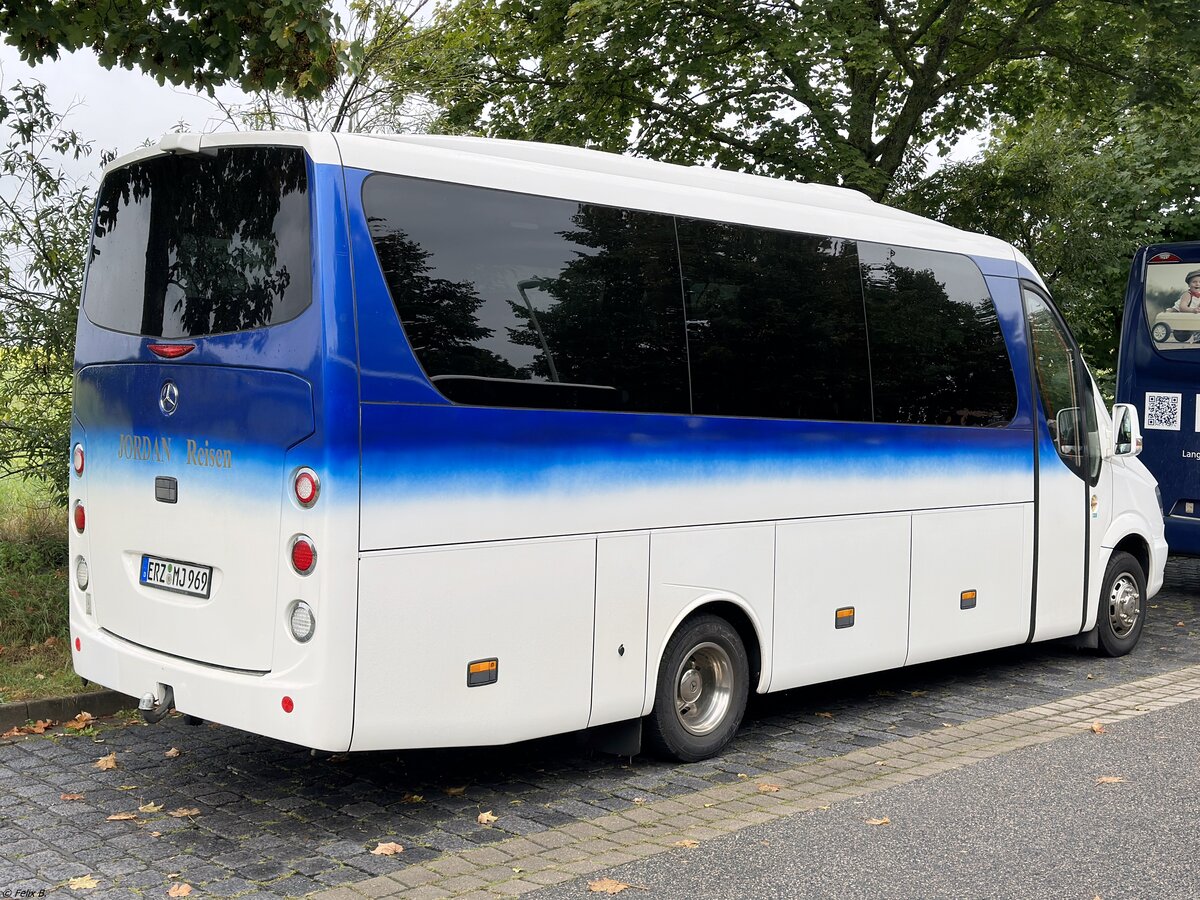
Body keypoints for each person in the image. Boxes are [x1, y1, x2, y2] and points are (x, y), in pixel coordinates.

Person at [1172, 270, 1200, 342]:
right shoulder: (1187, 295)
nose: (1198, 284)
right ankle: (1198, 336)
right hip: (1180, 312)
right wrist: (1193, 310)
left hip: (1191, 315)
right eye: (1194, 282)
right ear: (1189, 285)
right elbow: (1182, 308)